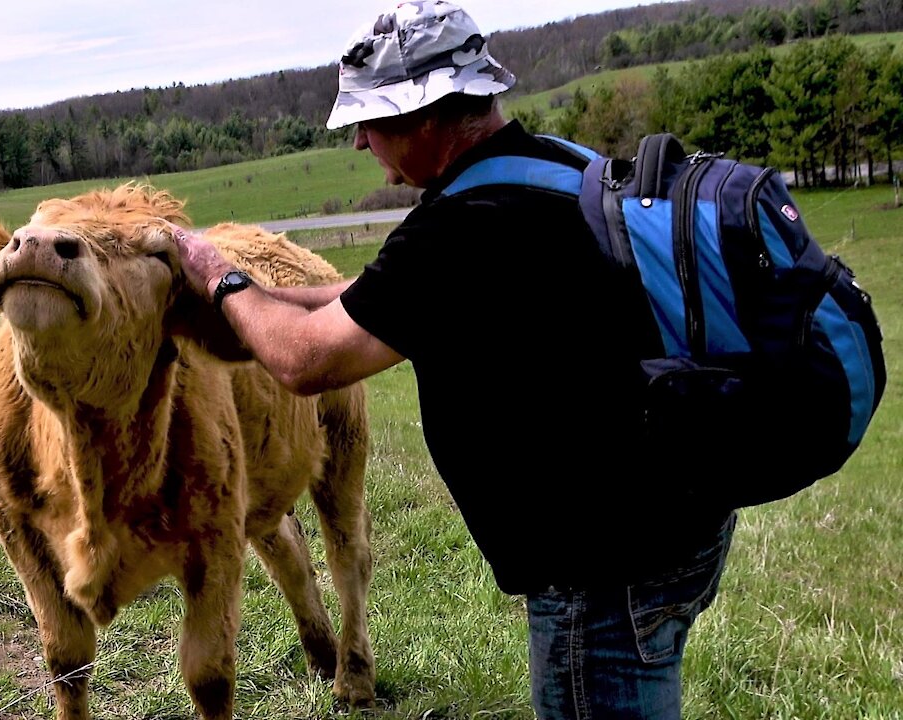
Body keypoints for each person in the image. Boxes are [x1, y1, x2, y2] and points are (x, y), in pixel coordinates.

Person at [172, 2, 736, 719]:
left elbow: (304, 365)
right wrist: (275, 291)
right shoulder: (553, 164)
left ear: (427, 118)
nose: (360, 146)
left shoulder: (462, 230)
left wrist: (219, 276)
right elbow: (380, 296)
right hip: (680, 514)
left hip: (603, 569)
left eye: (369, 124)